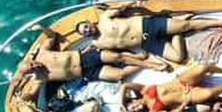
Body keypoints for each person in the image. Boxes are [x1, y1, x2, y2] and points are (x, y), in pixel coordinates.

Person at [74, 0, 222, 64]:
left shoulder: (104, 18)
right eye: (84, 32)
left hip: (147, 26)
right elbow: (116, 53)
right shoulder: (98, 43)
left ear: (89, 22)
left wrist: (133, 2)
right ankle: (175, 33)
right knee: (178, 58)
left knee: (186, 25)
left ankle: (219, 23)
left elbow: (121, 8)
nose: (87, 30)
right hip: (147, 43)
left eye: (86, 27)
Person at [16, 24, 169, 84]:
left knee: (118, 57)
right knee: (119, 75)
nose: (35, 66)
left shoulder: (43, 53)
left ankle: (151, 64)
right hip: (86, 72)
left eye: (32, 64)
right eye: (32, 69)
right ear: (30, 73)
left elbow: (52, 36)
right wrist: (18, 78)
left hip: (85, 56)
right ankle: (143, 60)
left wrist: (40, 27)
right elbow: (23, 89)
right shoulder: (39, 79)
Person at [119, 62, 222, 112]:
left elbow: (125, 85)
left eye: (132, 106)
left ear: (133, 101)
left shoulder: (143, 90)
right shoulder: (153, 110)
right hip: (187, 95)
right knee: (208, 94)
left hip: (181, 82)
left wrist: (122, 104)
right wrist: (184, 103)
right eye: (134, 111)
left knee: (203, 67)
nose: (136, 108)